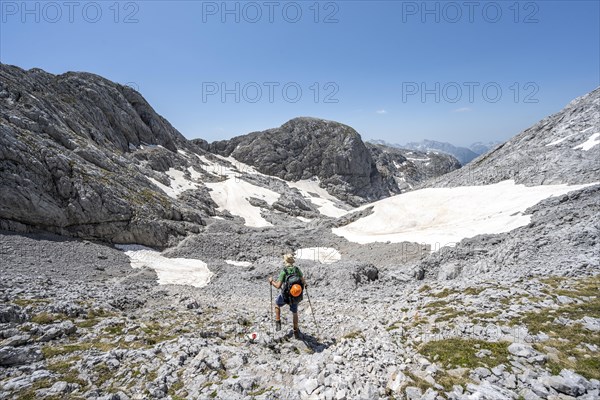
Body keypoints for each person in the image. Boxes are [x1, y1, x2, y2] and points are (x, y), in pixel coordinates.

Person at [268, 253, 306, 339]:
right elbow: (303, 281)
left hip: (285, 295)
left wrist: (271, 281)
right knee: (295, 312)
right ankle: (296, 330)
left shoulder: (284, 271)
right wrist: (305, 285)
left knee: (277, 304)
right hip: (295, 295)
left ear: (285, 261)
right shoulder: (297, 269)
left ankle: (278, 322)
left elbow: (278, 286)